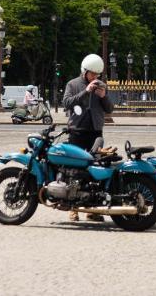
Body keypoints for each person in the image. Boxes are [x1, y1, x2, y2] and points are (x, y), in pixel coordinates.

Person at [62, 54, 113, 221]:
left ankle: (92, 210)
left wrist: (103, 96)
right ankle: (73, 208)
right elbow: (67, 103)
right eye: (93, 74)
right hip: (77, 131)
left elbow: (110, 109)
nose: (96, 78)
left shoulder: (101, 86)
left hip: (95, 132)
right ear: (85, 72)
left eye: (98, 75)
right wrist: (86, 91)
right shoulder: (73, 84)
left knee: (95, 171)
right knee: (74, 171)